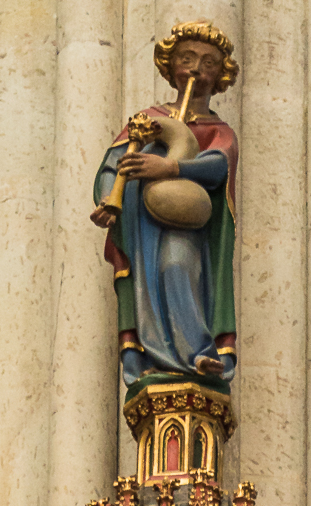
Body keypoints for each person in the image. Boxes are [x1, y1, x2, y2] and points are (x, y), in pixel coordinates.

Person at [92, 22, 239, 385]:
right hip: (142, 224)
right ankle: (141, 355)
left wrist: (170, 167)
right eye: (187, 59)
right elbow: (115, 163)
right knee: (141, 283)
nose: (196, 69)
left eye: (208, 63)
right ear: (170, 66)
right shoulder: (148, 122)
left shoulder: (217, 130)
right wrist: (108, 198)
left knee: (177, 266)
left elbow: (217, 167)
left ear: (220, 75)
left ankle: (197, 353)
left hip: (186, 222)